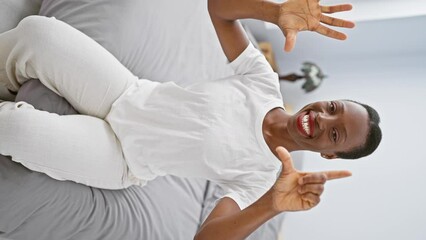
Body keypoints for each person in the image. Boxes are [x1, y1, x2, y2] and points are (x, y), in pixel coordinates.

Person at [0, 0, 382, 239]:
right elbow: (218, 9)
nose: (320, 119)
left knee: (16, 128)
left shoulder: (264, 177)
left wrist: (272, 207)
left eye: (334, 134)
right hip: (124, 93)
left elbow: (208, 237)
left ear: (330, 156)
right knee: (40, 33)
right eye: (332, 107)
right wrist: (274, 12)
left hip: (123, 157)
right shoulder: (264, 81)